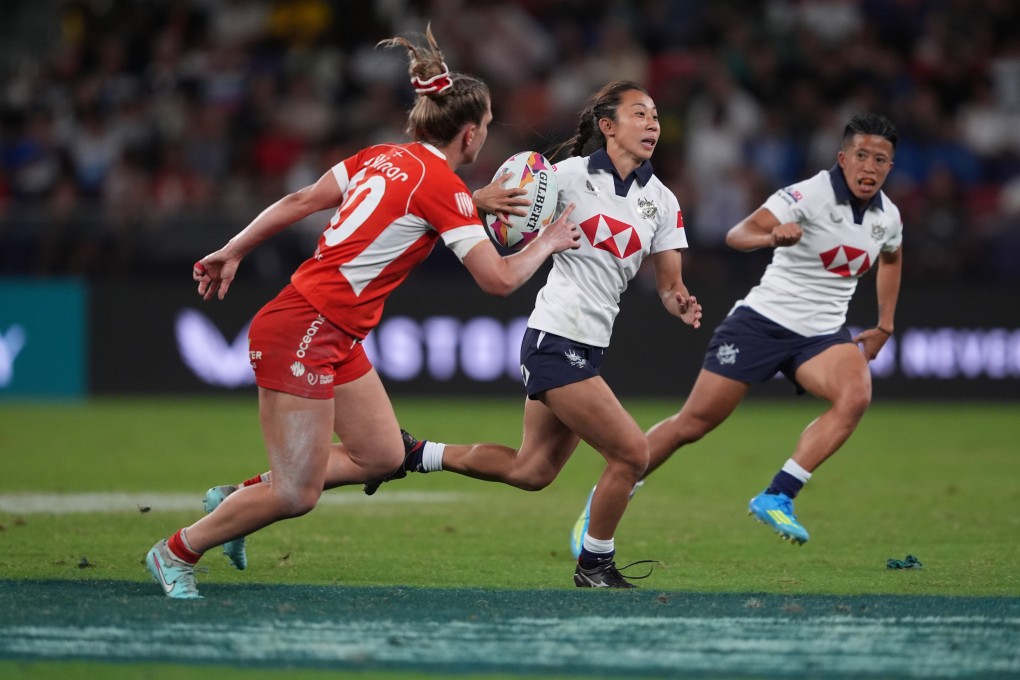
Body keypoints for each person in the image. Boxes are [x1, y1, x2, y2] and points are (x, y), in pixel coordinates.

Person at [144, 25, 581, 599]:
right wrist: (548, 240)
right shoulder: (444, 190)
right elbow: (498, 281)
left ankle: (238, 500)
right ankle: (175, 551)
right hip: (304, 329)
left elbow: (303, 200)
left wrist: (234, 249)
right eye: (489, 122)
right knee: (296, 494)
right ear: (470, 133)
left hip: (330, 331)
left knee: (382, 455)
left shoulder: (384, 157)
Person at [364, 80, 703, 589]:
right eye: (639, 113)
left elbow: (669, 284)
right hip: (554, 338)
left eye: (655, 114)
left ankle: (415, 453)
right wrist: (477, 199)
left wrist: (679, 302)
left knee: (532, 471)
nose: (652, 122)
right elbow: (472, 204)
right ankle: (595, 565)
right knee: (633, 454)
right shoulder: (562, 177)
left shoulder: (662, 200)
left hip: (590, 346)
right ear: (607, 126)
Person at [569, 112, 903, 555]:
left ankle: (778, 494)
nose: (869, 167)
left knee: (856, 395)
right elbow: (738, 234)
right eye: (861, 155)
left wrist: (885, 324)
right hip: (760, 324)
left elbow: (892, 257)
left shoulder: (888, 216)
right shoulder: (810, 194)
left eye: (879, 159)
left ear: (890, 166)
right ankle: (605, 496)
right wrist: (772, 238)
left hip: (821, 335)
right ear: (843, 158)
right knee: (693, 424)